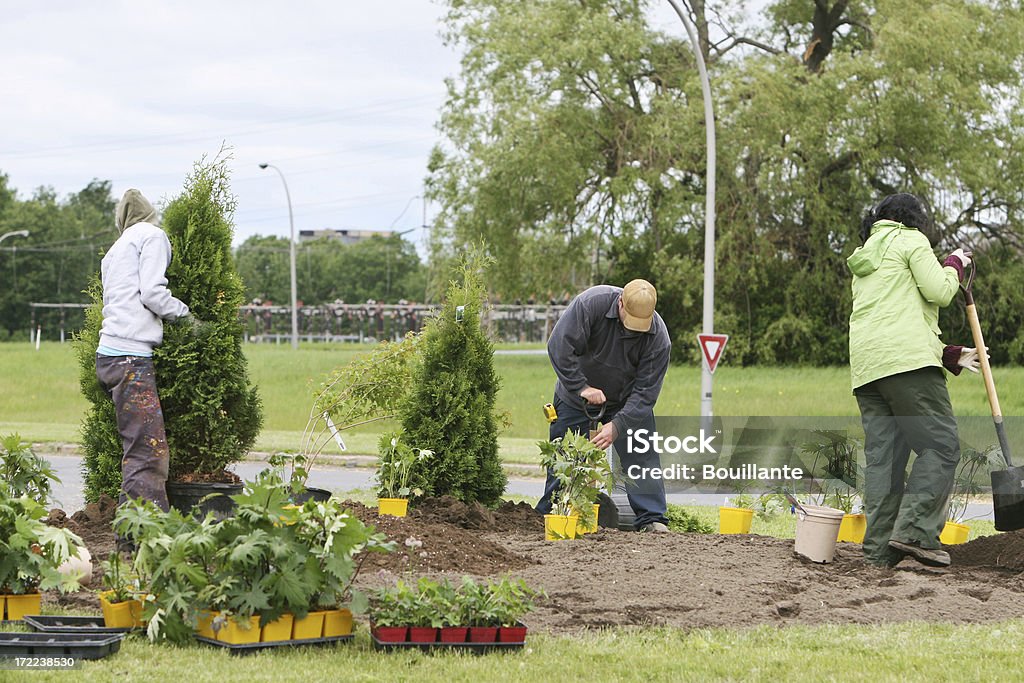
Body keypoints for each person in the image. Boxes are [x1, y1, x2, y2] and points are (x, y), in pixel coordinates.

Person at [847, 192, 981, 568]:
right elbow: (939, 291)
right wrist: (953, 263)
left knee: (884, 462)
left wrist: (949, 354)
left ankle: (878, 554)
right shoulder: (911, 240)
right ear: (913, 218)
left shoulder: (867, 256)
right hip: (908, 369)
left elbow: (892, 320)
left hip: (868, 371)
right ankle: (915, 533)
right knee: (940, 446)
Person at [535, 279, 672, 532]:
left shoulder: (658, 338)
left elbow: (646, 393)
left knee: (642, 454)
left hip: (626, 401)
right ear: (620, 302)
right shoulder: (591, 304)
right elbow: (559, 346)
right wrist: (582, 387)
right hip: (577, 396)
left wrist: (618, 425)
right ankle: (553, 513)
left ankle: (652, 519)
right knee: (566, 457)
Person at [96, 189, 192, 513]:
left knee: (137, 449)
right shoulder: (152, 235)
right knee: (148, 454)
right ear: (150, 213)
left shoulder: (114, 250)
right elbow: (152, 293)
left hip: (109, 356)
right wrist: (187, 315)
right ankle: (142, 540)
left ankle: (132, 537)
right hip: (130, 359)